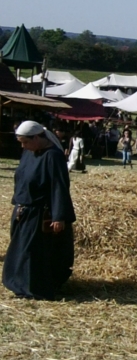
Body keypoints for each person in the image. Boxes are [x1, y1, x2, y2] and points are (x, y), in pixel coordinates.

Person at [3, 121, 76, 300]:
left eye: (25, 142)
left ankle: (35, 288)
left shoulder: (53, 156)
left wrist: (59, 216)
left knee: (32, 253)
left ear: (36, 137)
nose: (23, 146)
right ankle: (19, 284)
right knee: (20, 250)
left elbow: (59, 186)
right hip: (24, 209)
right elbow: (22, 177)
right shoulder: (29, 152)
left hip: (40, 213)